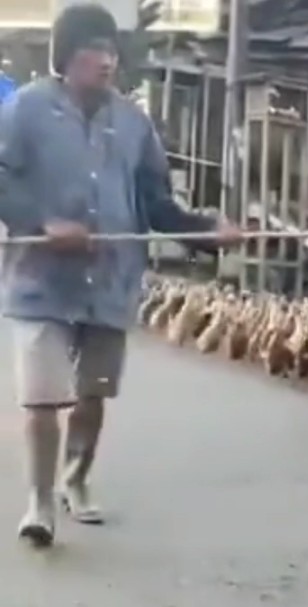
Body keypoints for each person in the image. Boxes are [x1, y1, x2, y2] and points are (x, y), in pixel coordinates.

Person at [0, 3, 242, 547]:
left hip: (111, 278)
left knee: (92, 394)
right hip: (41, 279)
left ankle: (76, 479)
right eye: (95, 50)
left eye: (112, 51)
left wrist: (206, 230)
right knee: (41, 396)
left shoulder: (134, 123)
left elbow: (157, 203)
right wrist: (42, 222)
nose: (106, 61)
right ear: (66, 56)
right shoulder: (24, 111)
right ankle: (40, 502)